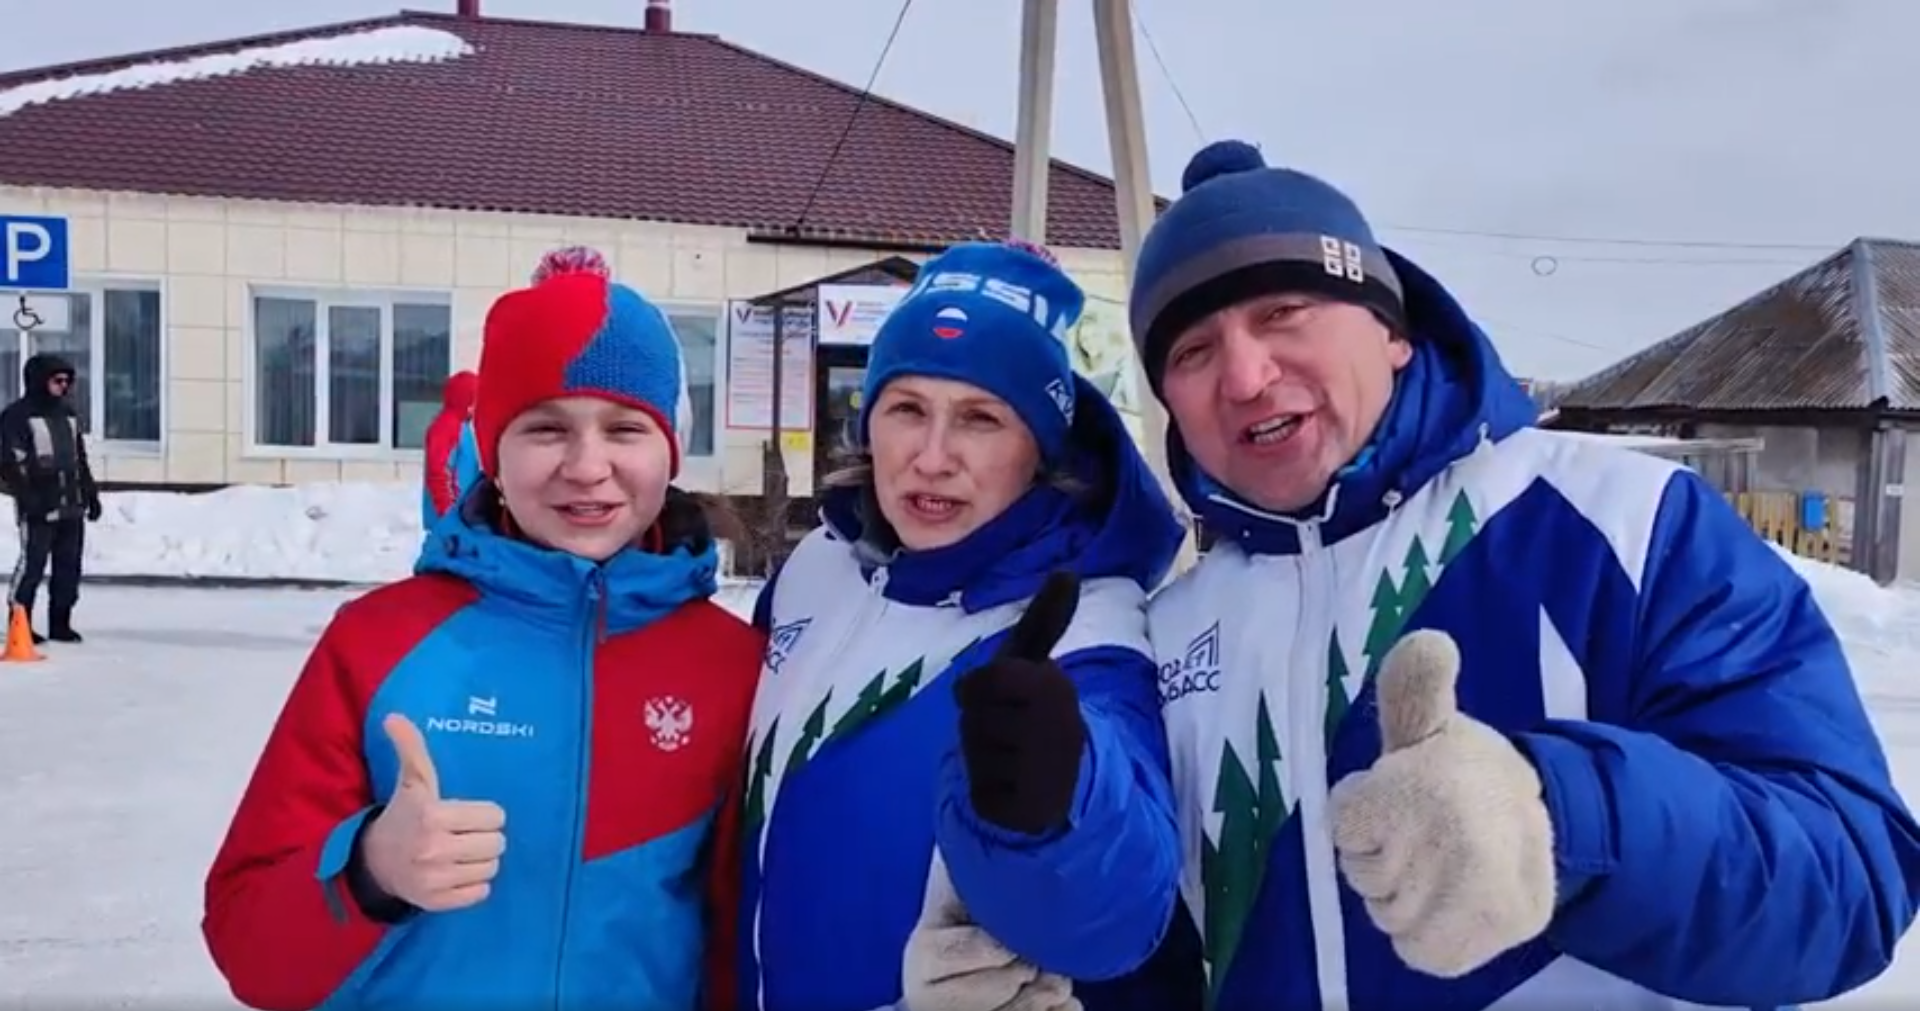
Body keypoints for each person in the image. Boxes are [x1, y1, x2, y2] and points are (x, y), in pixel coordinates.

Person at [1121, 140, 1920, 1010]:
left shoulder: (1626, 520)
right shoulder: (1169, 628)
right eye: (1193, 352)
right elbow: (1148, 947)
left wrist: (1564, 822)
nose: (1245, 376)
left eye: (1283, 312)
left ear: (1393, 332)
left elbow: (1850, 878)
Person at [201, 248, 763, 1011]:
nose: (586, 465)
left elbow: (742, 946)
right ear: (492, 452)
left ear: (672, 449)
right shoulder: (377, 644)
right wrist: (369, 870)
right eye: (545, 428)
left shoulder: (732, 665)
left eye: (625, 428)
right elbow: (248, 944)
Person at [741, 240, 1200, 1011]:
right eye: (907, 409)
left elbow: (1121, 916)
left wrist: (1062, 802)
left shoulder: (1081, 625)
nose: (932, 457)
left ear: (1041, 450)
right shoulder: (816, 569)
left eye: (980, 418)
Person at [0, 352, 101, 644]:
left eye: (67, 381)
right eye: (58, 380)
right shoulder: (17, 416)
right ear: (39, 381)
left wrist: (90, 493)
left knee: (68, 567)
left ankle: (61, 622)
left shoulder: (67, 414)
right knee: (32, 565)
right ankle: (20, 622)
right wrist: (27, 496)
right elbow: (8, 463)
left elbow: (79, 458)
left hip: (71, 503)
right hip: (39, 506)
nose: (64, 386)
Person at [421, 369, 480, 528]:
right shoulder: (446, 427)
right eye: (476, 399)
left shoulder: (463, 426)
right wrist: (449, 515)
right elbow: (439, 473)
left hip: (461, 517)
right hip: (448, 522)